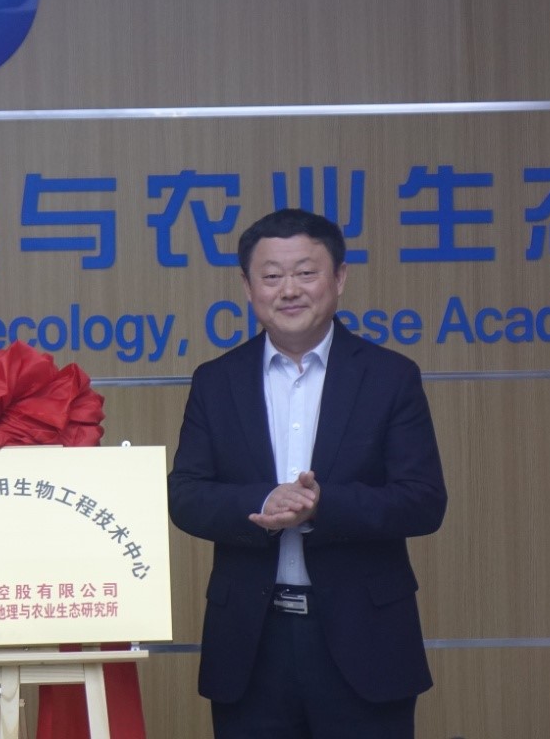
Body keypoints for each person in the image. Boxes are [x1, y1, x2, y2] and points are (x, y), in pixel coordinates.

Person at [168, 208, 446, 739]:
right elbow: (185, 495)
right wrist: (262, 502)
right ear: (248, 287)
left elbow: (423, 500)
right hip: (251, 642)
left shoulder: (389, 377)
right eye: (272, 276)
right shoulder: (216, 381)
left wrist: (323, 506)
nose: (289, 289)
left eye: (305, 272)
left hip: (365, 638)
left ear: (339, 278)